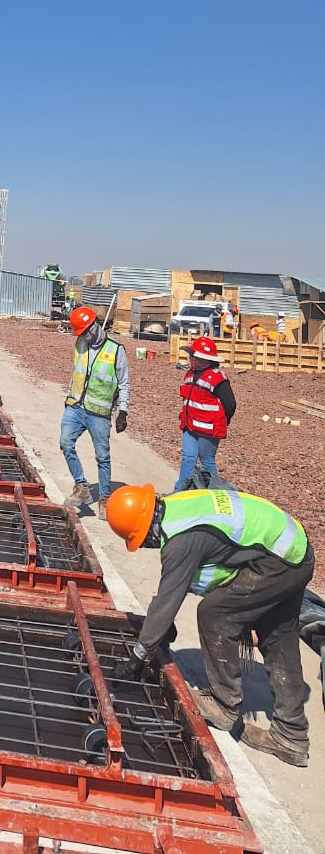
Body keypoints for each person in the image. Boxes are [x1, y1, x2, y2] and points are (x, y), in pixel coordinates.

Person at [106, 484, 314, 768]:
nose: (146, 546)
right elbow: (175, 589)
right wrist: (162, 625)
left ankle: (223, 704)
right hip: (295, 550)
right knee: (278, 637)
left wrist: (138, 656)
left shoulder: (180, 540)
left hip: (278, 560)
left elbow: (168, 598)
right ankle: (291, 736)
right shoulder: (177, 507)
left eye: (141, 540)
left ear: (145, 530)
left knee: (215, 613)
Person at [60, 306, 129, 521]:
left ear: (96, 325)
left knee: (102, 457)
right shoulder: (81, 343)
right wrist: (69, 396)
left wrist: (123, 411)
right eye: (81, 333)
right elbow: (77, 371)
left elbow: (124, 383)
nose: (85, 337)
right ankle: (81, 486)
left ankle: (104, 499)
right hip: (76, 405)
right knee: (65, 443)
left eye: (86, 332)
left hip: (99, 412)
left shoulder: (116, 350)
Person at [175, 335, 236, 491]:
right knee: (188, 458)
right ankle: (180, 492)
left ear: (203, 359)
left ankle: (212, 493)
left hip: (208, 429)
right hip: (189, 426)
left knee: (206, 460)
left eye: (192, 355)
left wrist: (222, 421)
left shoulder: (217, 377)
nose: (190, 358)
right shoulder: (190, 374)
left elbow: (230, 405)